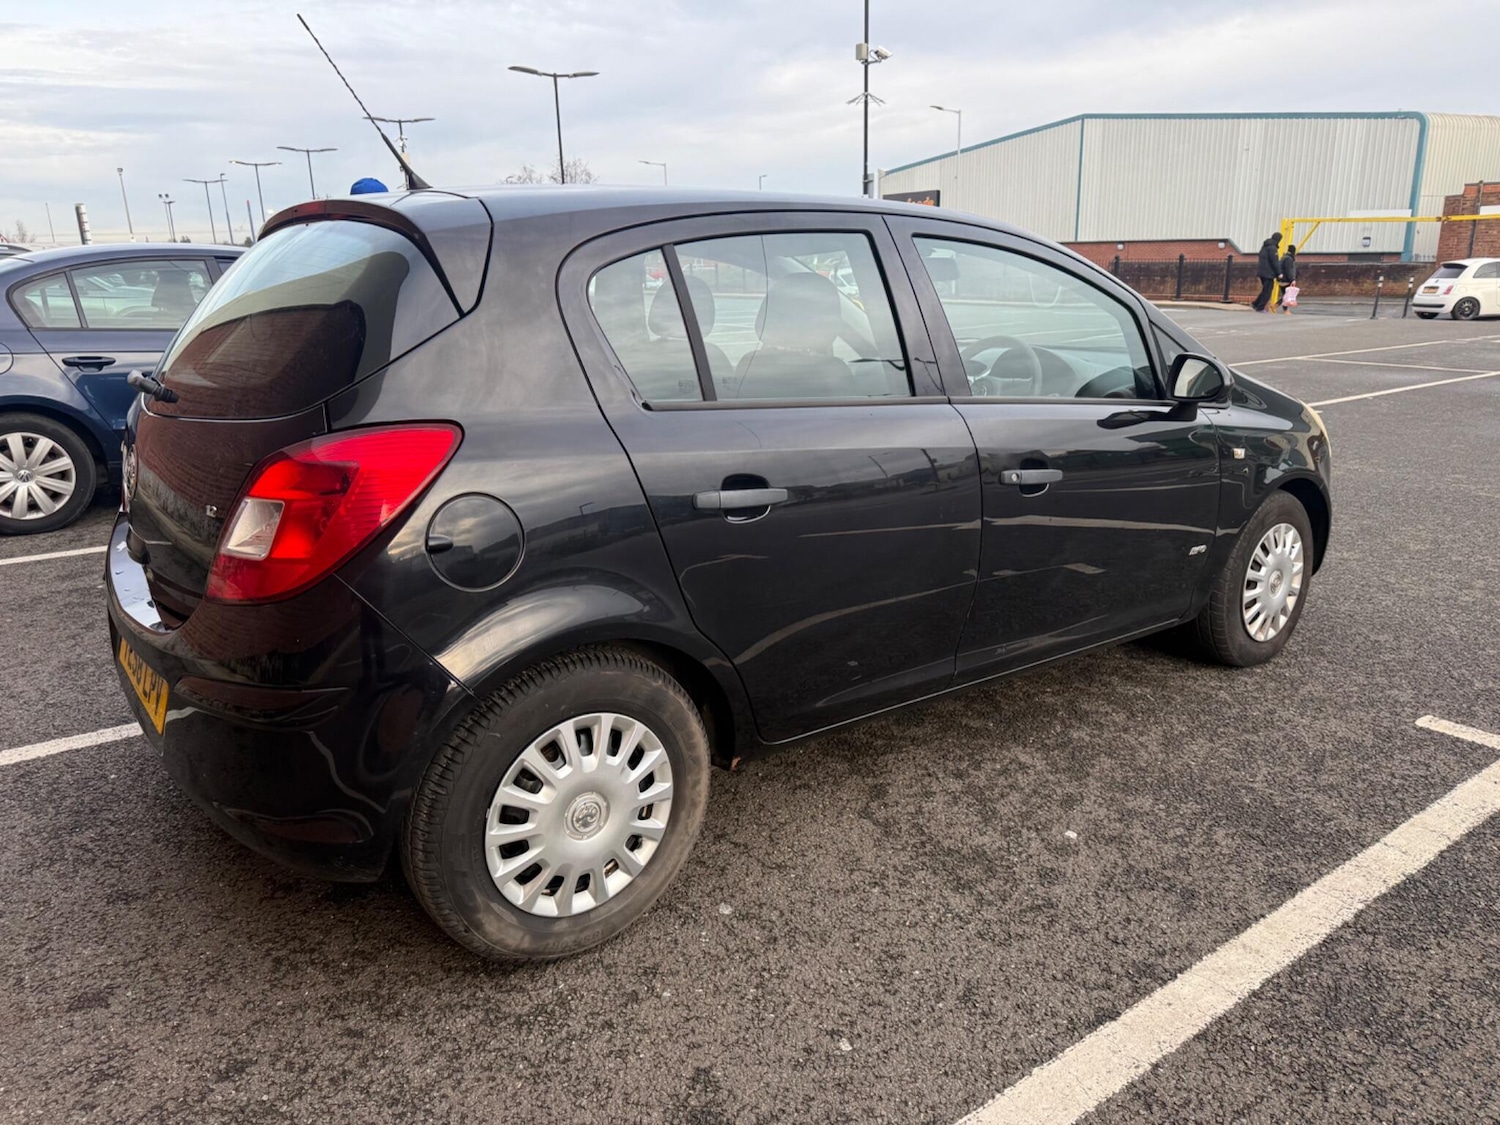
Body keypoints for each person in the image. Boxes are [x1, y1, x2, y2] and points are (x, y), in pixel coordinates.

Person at [1252, 232, 1282, 312]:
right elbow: (1274, 261)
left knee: (1265, 289)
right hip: (1269, 273)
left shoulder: (1264, 247)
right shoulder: (1273, 248)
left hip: (1261, 272)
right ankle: (1260, 307)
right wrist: (1279, 273)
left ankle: (1256, 303)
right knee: (1268, 291)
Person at [1278, 244, 1299, 313]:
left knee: (1285, 295)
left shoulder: (1284, 257)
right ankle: (1285, 310)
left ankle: (1277, 306)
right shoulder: (1289, 259)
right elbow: (1289, 270)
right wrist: (1292, 279)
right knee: (1286, 296)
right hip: (1286, 280)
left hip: (1282, 279)